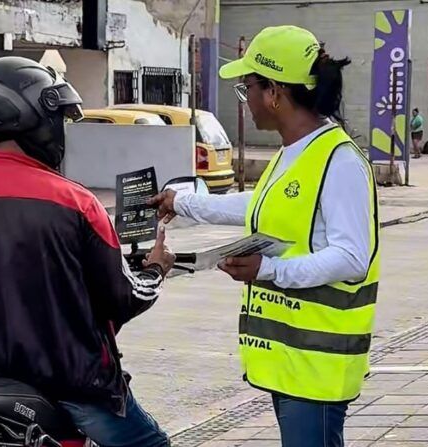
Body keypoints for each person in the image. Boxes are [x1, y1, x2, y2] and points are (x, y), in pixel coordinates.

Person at [0, 56, 175, 447]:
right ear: (32, 116)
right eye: (58, 118)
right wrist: (154, 270)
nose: (61, 129)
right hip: (69, 385)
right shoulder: (75, 201)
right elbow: (119, 298)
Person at [150, 25, 380, 447]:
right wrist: (182, 202)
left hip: (318, 363)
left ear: (274, 91)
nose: (247, 98)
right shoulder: (293, 154)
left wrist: (269, 270)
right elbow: (257, 205)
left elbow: (352, 257)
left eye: (248, 87)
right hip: (292, 359)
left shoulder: (340, 160)